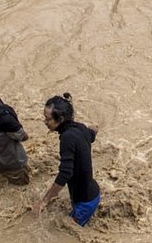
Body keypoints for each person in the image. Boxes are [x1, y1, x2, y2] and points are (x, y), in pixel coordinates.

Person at [30, 93, 100, 226]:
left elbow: (65, 173)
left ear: (60, 119)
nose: (45, 122)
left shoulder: (67, 138)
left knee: (68, 236)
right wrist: (96, 127)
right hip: (91, 192)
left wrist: (44, 201)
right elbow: (92, 134)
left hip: (84, 203)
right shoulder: (80, 127)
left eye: (48, 119)